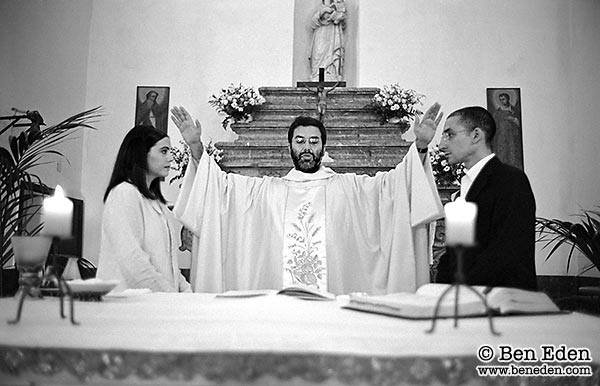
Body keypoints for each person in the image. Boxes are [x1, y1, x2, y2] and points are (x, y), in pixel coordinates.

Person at [170, 103, 445, 295]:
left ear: (323, 146)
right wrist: (195, 147)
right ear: (290, 145)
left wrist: (420, 146)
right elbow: (222, 189)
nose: (307, 147)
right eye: (300, 141)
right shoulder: (268, 190)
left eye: (314, 142)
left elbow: (395, 186)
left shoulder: (349, 188)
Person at [435, 106, 536, 290]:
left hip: (501, 301)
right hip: (464, 301)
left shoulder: (511, 180)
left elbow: (508, 251)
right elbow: (456, 251)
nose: (442, 145)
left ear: (476, 135)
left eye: (449, 135)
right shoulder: (464, 187)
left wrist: (464, 291)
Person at [96, 125, 192, 293]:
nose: (171, 158)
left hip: (157, 302)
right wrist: (170, 298)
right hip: (129, 304)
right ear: (141, 154)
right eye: (163, 151)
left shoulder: (157, 202)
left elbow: (169, 264)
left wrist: (185, 292)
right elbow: (132, 260)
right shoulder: (124, 193)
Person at [309, 0, 347, 81]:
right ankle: (317, 74)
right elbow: (313, 23)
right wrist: (322, 12)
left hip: (333, 33)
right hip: (321, 34)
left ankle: (332, 73)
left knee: (333, 53)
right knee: (319, 52)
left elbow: (343, 24)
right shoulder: (320, 8)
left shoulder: (336, 6)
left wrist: (337, 15)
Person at [491, 92, 523, 169]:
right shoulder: (497, 113)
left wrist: (514, 120)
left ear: (508, 99)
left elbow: (520, 124)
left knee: (513, 155)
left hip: (513, 138)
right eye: (500, 100)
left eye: (503, 99)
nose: (502, 101)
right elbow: (494, 125)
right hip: (501, 139)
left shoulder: (514, 111)